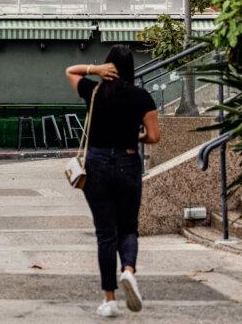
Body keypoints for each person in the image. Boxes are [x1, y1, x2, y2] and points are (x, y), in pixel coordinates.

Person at [65, 44, 160, 318]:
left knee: (105, 233)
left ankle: (109, 300)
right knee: (128, 227)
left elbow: (69, 71)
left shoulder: (93, 91)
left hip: (96, 166)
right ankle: (128, 270)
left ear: (108, 66)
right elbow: (154, 136)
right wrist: (136, 137)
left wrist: (94, 70)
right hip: (127, 162)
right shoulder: (142, 97)